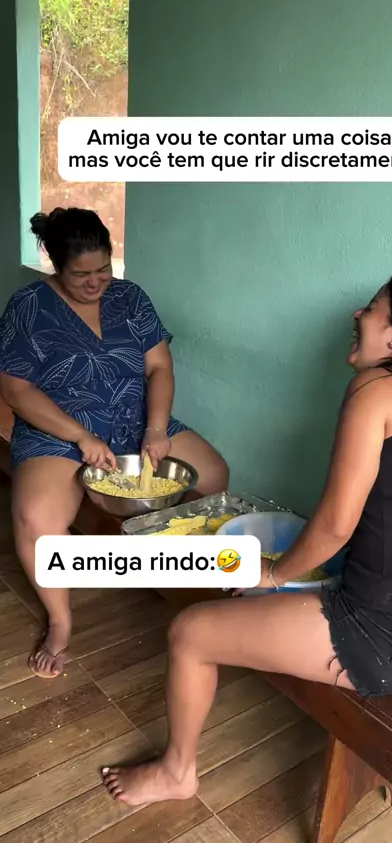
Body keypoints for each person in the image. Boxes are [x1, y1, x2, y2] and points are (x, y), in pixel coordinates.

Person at [102, 272, 392, 807]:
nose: (357, 315)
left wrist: (273, 574)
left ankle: (176, 771)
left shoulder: (379, 388)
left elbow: (335, 525)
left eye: (372, 308)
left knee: (190, 632)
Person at [0, 207, 229, 678]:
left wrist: (157, 428)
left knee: (213, 475)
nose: (95, 282)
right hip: (57, 429)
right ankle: (60, 622)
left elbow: (159, 367)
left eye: (103, 269)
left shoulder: (131, 298)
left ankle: (159, 565)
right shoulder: (27, 307)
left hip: (133, 419)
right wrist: (80, 435)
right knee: (36, 517)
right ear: (56, 265)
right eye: (80, 274)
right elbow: (16, 390)